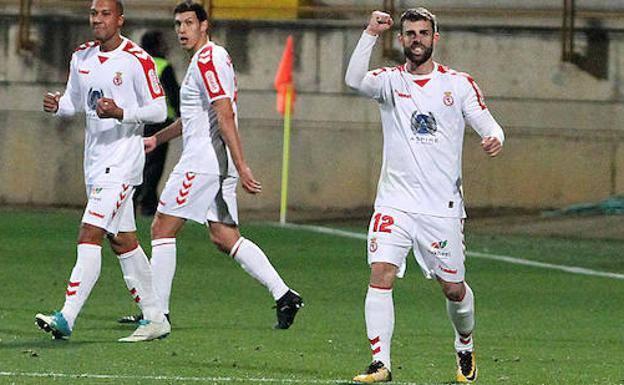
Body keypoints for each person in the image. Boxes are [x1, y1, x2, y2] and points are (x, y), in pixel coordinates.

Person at [119, 1, 303, 330]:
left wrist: (243, 165)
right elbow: (195, 118)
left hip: (204, 162)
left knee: (162, 227)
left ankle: (157, 313)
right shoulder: (208, 59)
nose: (182, 30)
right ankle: (285, 294)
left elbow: (224, 113)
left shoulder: (206, 61)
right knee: (224, 235)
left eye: (189, 23)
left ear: (205, 25)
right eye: (178, 24)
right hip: (217, 162)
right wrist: (156, 140)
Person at [345, 8, 504, 383]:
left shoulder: (458, 84)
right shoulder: (389, 82)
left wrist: (495, 138)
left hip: (441, 208)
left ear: (436, 38)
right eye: (410, 33)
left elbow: (489, 124)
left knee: (452, 289)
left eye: (423, 32)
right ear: (400, 39)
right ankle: (380, 362)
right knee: (380, 273)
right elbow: (353, 79)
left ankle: (464, 344)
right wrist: (369, 33)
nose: (416, 39)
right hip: (394, 203)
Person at [36, 0, 171, 343]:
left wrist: (121, 112)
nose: (97, 19)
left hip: (122, 163)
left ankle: (66, 316)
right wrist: (57, 104)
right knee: (122, 240)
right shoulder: (81, 55)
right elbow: (73, 102)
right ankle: (156, 318)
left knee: (89, 233)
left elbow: (158, 109)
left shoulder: (137, 59)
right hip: (95, 163)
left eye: (105, 14)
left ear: (120, 19)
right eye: (94, 13)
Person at [134, 30, 180, 217]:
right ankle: (147, 201)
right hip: (159, 121)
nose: (166, 46)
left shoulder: (138, 65)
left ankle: (135, 198)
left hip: (137, 119)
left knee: (138, 162)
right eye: (163, 43)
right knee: (154, 164)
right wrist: (180, 113)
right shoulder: (162, 66)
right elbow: (173, 93)